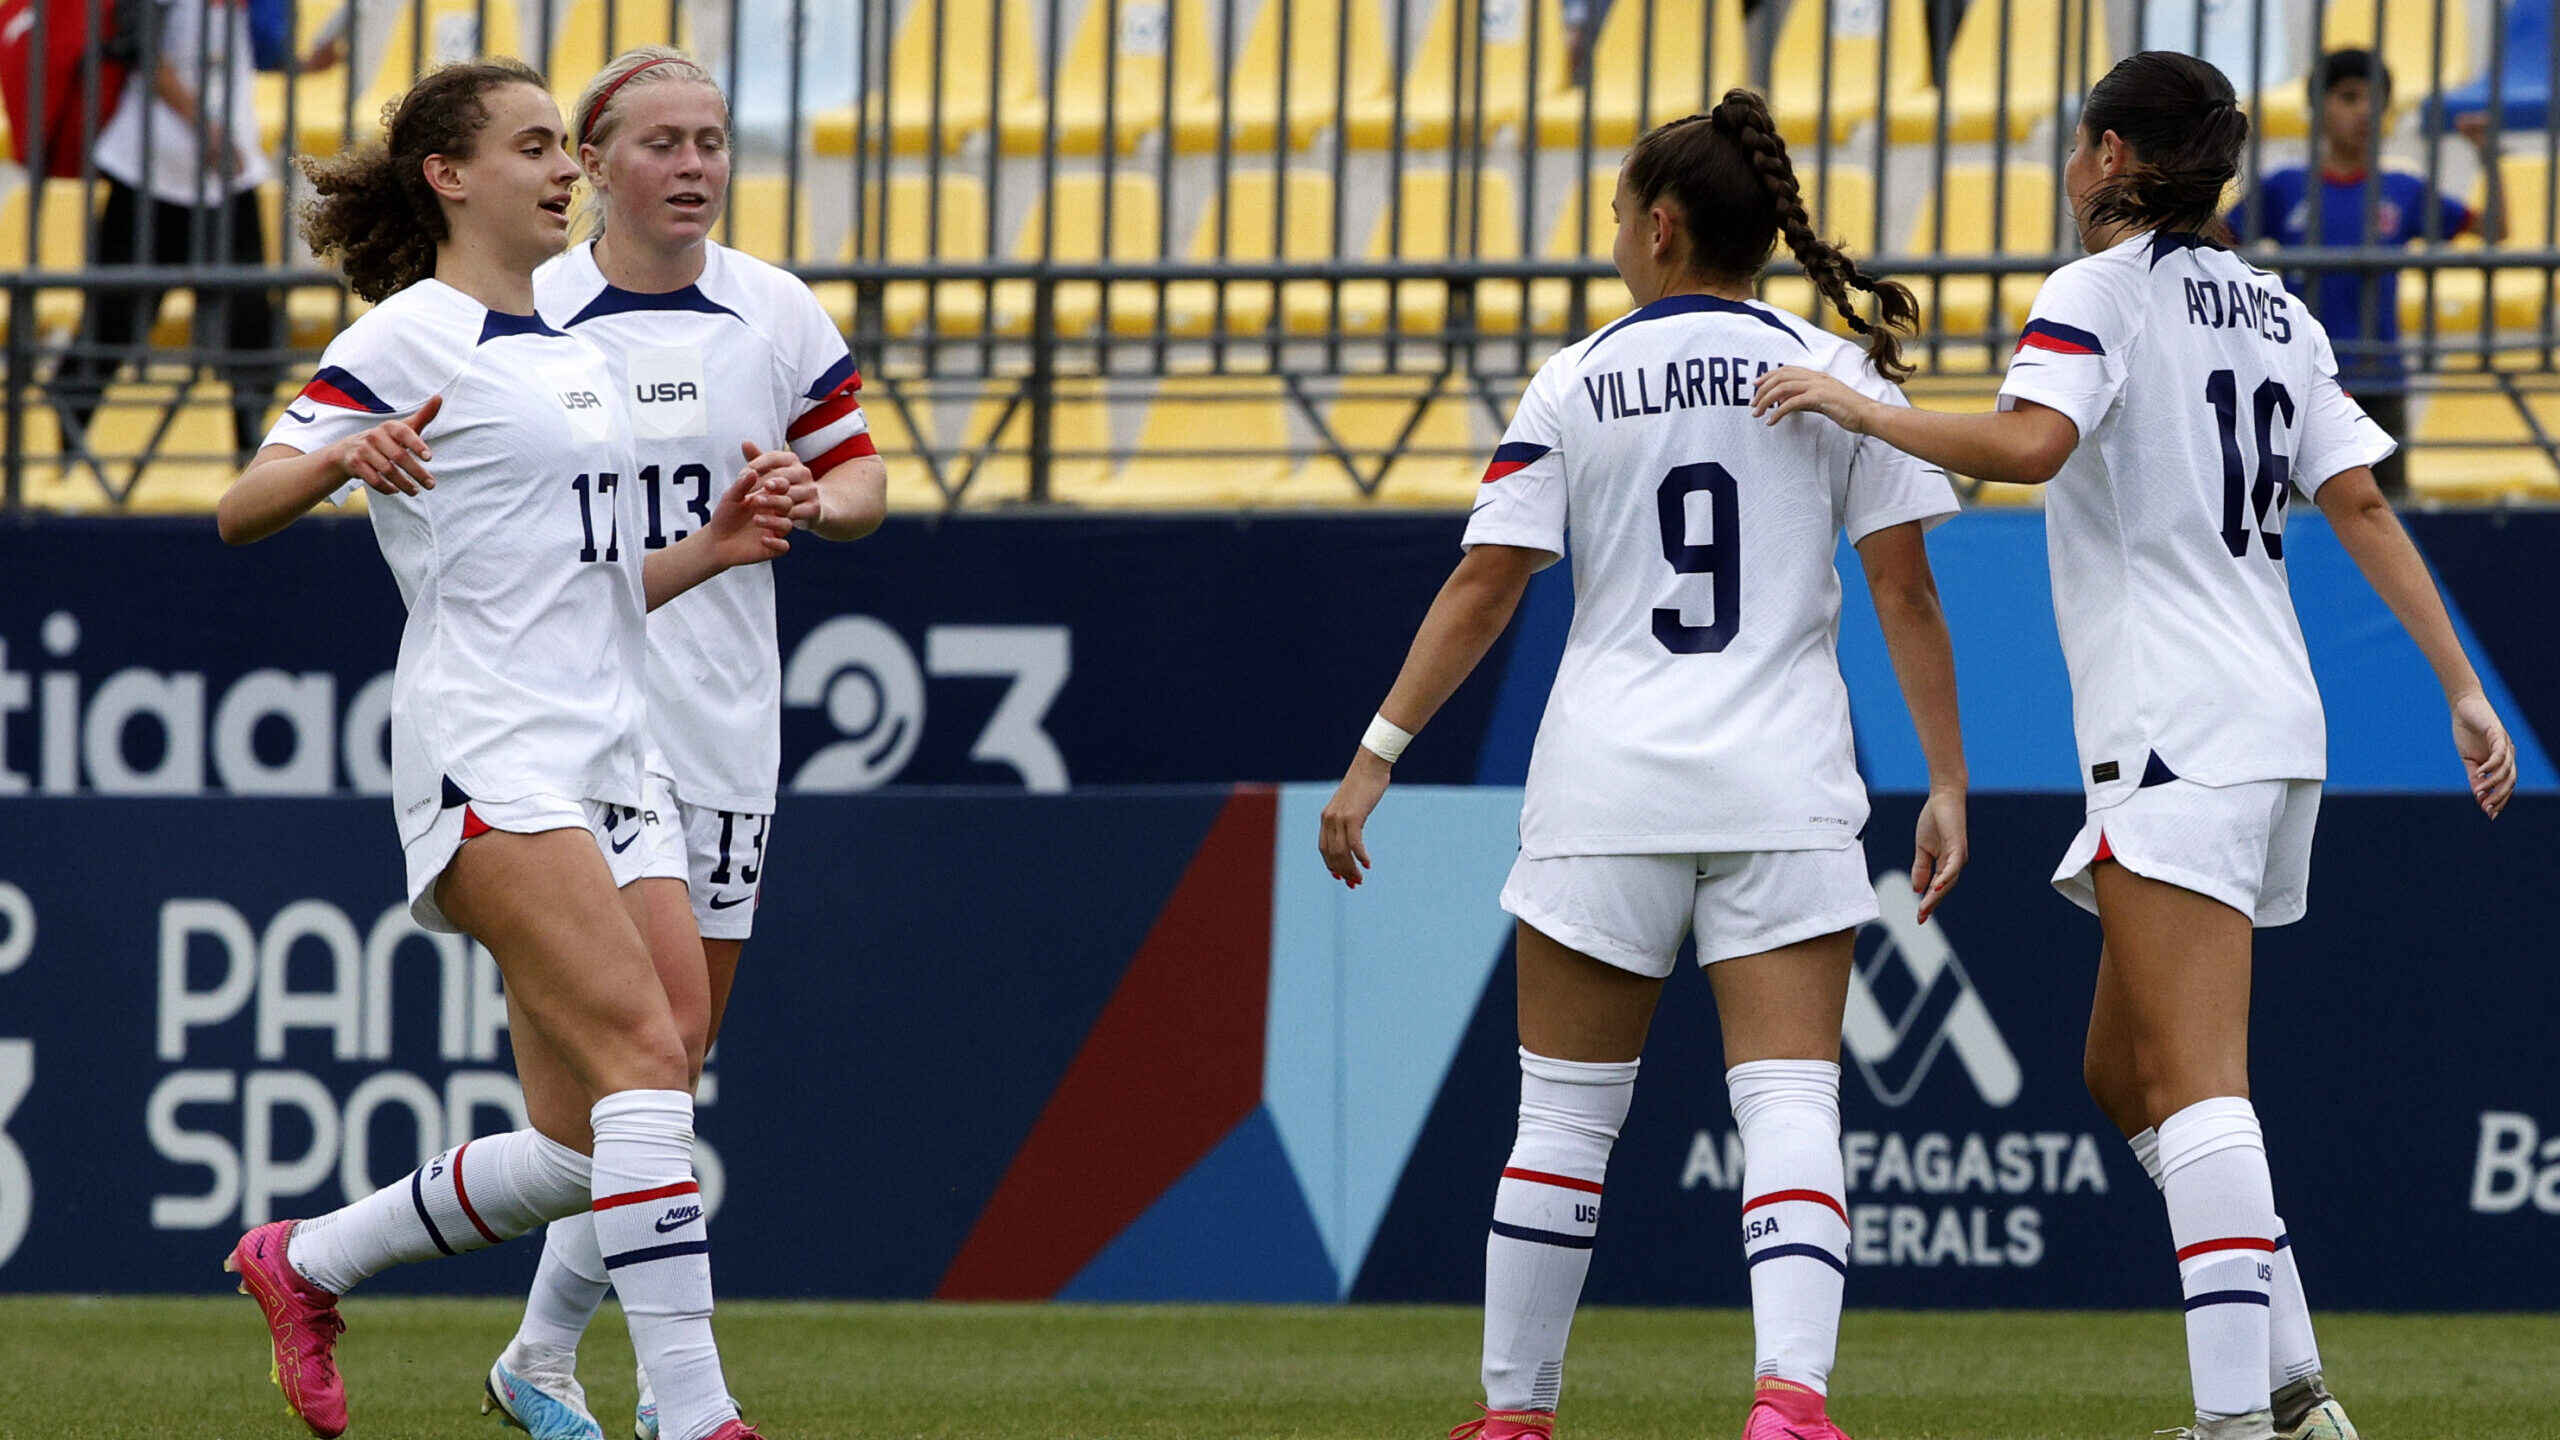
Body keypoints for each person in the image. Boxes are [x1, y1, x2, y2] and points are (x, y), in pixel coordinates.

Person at [1753, 50, 2518, 1440]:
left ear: (2109, 155)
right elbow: (2362, 505)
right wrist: (2462, 688)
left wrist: (1861, 408)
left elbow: (2031, 446)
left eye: (2074, 142)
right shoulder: (2276, 309)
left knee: (2205, 1081)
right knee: (2126, 1071)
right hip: (2267, 723)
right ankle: (2292, 1398)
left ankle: (2240, 1418)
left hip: (2178, 728)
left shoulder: (2097, 291)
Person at [1319, 89, 1969, 1440]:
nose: (1614, 235)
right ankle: (1789, 1403)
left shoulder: (1574, 379)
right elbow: (1905, 595)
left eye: (1619, 215)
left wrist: (1376, 755)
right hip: (1781, 786)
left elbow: (1486, 588)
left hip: (1604, 790)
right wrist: (1949, 784)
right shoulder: (1834, 369)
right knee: (1790, 1102)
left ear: (1664, 229)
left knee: (1560, 1119)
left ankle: (1513, 1416)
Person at [210, 56, 796, 1440]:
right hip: (489, 750)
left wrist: (713, 548)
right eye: (537, 146)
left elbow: (589, 584)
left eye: (563, 149)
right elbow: (240, 505)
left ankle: (307, 1260)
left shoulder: (575, 351)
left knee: (590, 1133)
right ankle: (698, 1416)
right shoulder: (412, 334)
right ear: (450, 177)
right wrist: (337, 463)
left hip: (614, 760)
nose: (565, 170)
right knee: (649, 1063)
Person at [477, 45, 887, 1440]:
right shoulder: (532, 314)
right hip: (577, 726)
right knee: (640, 1061)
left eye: (713, 139)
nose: (699, 164)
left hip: (723, 722)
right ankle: (675, 1391)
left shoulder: (770, 311)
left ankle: (531, 1353)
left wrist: (817, 503)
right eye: (664, 141)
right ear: (593, 163)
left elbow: (866, 471)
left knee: (667, 1063)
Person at [2231, 48, 2509, 499]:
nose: (2364, 111)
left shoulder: (2404, 189)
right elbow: (2216, 240)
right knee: (2302, 520)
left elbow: (2495, 229)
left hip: (2381, 378)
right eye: (2348, 97)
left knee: (2389, 514)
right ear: (2317, 109)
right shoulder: (2284, 186)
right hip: (2307, 382)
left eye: (2375, 100)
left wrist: (2488, 157)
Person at [54, 0, 283, 460]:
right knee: (112, 323)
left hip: (227, 177)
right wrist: (207, 129)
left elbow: (252, 54)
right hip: (151, 169)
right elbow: (142, 49)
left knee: (251, 326)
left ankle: (251, 459)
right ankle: (61, 460)